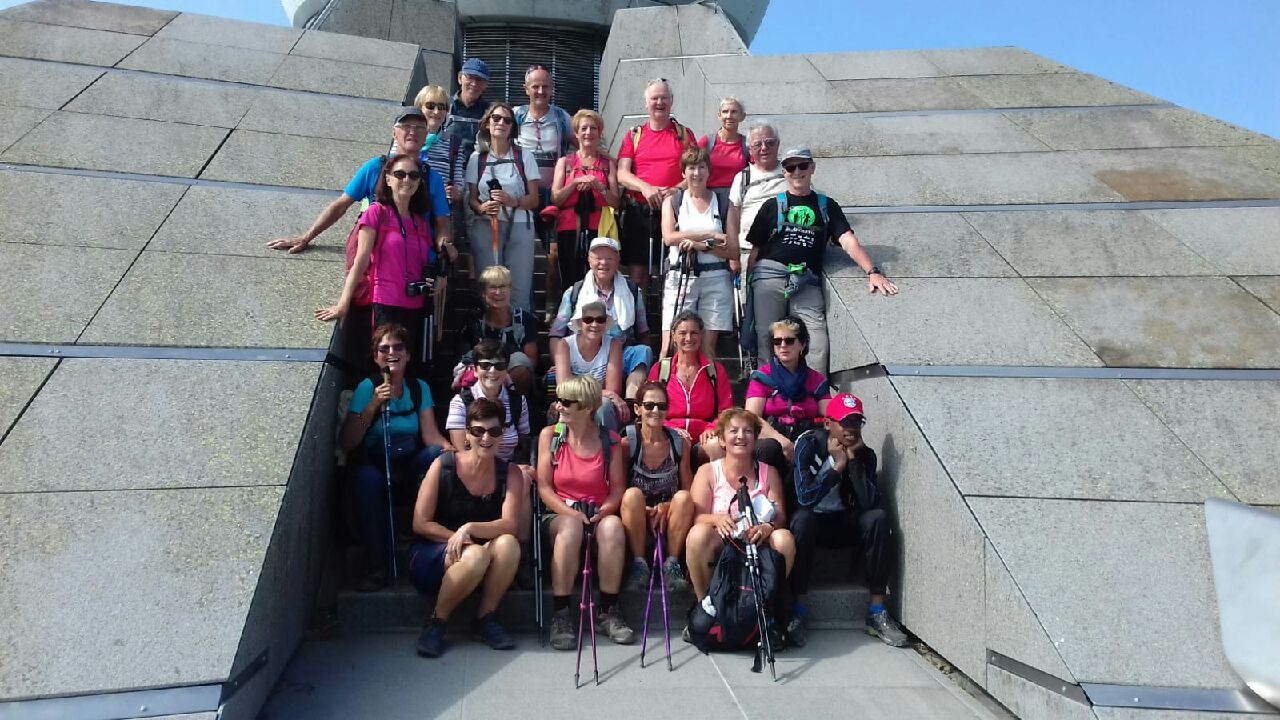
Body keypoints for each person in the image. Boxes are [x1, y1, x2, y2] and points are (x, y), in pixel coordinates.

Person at [745, 146, 898, 375]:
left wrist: (872, 271)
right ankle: (766, 391)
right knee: (767, 338)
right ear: (784, 172)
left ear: (812, 168)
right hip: (770, 275)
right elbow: (756, 250)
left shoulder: (827, 206)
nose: (797, 171)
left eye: (802, 165)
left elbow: (847, 240)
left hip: (806, 279)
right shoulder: (771, 205)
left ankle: (815, 390)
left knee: (816, 341)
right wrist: (750, 285)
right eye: (790, 167)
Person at [786, 394, 909, 649]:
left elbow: (869, 503)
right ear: (828, 423)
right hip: (813, 522)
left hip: (844, 523)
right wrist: (836, 468)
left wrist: (853, 462)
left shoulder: (865, 455)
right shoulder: (808, 445)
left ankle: (876, 611)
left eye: (856, 422)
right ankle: (798, 610)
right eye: (844, 422)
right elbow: (804, 498)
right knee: (802, 520)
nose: (851, 429)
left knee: (878, 518)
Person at [340, 323, 454, 590]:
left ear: (408, 355)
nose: (392, 353)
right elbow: (347, 442)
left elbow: (431, 436)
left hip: (408, 465)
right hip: (377, 464)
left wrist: (455, 453)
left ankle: (422, 528)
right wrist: (373, 406)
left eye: (398, 347)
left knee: (435, 456)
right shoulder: (367, 387)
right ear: (376, 356)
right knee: (366, 479)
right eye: (384, 349)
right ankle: (377, 564)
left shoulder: (419, 387)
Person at [409, 398, 523, 657]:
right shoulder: (444, 465)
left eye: (494, 431)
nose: (486, 438)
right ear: (467, 433)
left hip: (477, 555)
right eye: (478, 431)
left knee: (508, 544)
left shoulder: (511, 473)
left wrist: (469, 528)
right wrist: (459, 538)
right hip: (433, 555)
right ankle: (437, 621)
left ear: (502, 434)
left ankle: (485, 618)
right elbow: (420, 523)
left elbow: (510, 524)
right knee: (476, 555)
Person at [268, 106, 453, 258]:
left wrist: (443, 255)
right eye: (406, 126)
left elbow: (442, 227)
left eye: (419, 127)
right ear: (394, 133)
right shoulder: (375, 168)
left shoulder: (432, 178)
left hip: (417, 261)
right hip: (376, 257)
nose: (412, 131)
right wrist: (306, 237)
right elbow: (341, 205)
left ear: (426, 134)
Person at [536, 375, 635, 650]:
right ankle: (561, 613)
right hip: (560, 513)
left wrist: (603, 512)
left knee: (613, 527)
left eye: (567, 402)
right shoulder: (550, 436)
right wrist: (571, 513)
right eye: (559, 399)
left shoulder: (610, 440)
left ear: (588, 407)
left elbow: (617, 488)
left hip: (597, 512)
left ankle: (608, 610)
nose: (559, 406)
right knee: (570, 528)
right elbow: (544, 487)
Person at [315, 152, 439, 367]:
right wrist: (343, 303)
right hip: (385, 303)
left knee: (406, 367)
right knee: (384, 365)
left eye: (413, 175)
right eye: (400, 174)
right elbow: (361, 260)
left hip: (416, 305)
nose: (407, 180)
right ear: (388, 179)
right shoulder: (377, 212)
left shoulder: (420, 221)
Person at [685, 408, 795, 603]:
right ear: (721, 439)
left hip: (757, 542)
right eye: (733, 431)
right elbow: (697, 517)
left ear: (755, 439)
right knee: (697, 535)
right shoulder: (707, 471)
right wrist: (717, 520)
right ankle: (705, 604)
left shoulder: (769, 472)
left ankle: (767, 604)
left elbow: (780, 516)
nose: (741, 436)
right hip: (722, 542)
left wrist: (767, 527)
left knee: (784, 538)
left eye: (748, 431)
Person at [548, 237, 653, 400]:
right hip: (582, 357)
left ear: (618, 260)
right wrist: (560, 362)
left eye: (609, 258)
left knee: (643, 352)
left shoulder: (632, 291)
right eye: (598, 258)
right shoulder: (574, 291)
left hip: (618, 355)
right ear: (590, 260)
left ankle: (631, 402)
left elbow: (643, 332)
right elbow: (556, 334)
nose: (603, 263)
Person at [616, 78, 697, 287]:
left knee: (671, 272)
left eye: (664, 98)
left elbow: (695, 171)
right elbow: (622, 173)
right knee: (637, 275)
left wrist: (675, 189)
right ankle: (639, 309)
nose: (659, 102)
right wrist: (645, 188)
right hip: (640, 210)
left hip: (674, 209)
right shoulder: (634, 135)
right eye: (654, 98)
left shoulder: (684, 135)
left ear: (671, 101)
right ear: (646, 103)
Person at [659, 147, 737, 358]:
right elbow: (669, 237)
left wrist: (701, 246)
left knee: (707, 350)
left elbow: (732, 249)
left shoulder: (724, 203)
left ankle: (705, 380)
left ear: (709, 171)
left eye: (701, 167)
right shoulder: (673, 201)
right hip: (681, 275)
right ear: (683, 173)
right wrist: (710, 234)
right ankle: (664, 379)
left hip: (716, 278)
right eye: (691, 168)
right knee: (670, 347)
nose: (697, 173)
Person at [466, 102, 541, 313]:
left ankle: (518, 327)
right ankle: (489, 329)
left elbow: (534, 199)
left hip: (519, 224)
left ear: (512, 128)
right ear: (487, 123)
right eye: (496, 118)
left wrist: (512, 200)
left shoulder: (524, 156)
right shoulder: (477, 159)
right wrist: (483, 207)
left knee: (519, 284)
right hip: (486, 225)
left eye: (507, 120)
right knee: (489, 282)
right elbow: (472, 199)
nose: (501, 123)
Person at [619, 381, 694, 592]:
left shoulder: (679, 443)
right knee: (632, 495)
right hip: (635, 513)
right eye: (649, 405)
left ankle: (672, 564)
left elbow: (689, 488)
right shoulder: (627, 444)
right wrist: (644, 510)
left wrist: (667, 506)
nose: (655, 411)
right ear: (637, 408)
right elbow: (619, 488)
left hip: (670, 515)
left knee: (684, 498)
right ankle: (639, 564)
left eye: (661, 406)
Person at [514, 65, 576, 303]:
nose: (540, 91)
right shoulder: (516, 115)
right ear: (526, 89)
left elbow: (583, 143)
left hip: (552, 196)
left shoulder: (561, 117)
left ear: (552, 89)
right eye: (535, 86)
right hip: (522, 194)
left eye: (545, 86)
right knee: (522, 252)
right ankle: (524, 305)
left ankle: (552, 307)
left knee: (553, 253)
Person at [550, 109, 620, 290]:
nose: (588, 132)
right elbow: (556, 199)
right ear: (576, 133)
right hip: (569, 226)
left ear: (600, 132)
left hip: (600, 226)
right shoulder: (565, 162)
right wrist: (574, 183)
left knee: (599, 278)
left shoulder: (608, 164)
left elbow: (616, 202)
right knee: (570, 276)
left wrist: (599, 186)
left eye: (593, 128)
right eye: (584, 128)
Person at [744, 316, 832, 461]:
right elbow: (751, 418)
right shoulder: (762, 377)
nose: (783, 345)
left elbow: (832, 416)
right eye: (777, 341)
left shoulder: (816, 380)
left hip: (807, 438)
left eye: (789, 341)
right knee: (769, 448)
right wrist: (782, 442)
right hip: (771, 440)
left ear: (802, 344)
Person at [648, 311, 732, 446]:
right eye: (682, 333)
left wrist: (712, 428)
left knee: (716, 445)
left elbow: (726, 410)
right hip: (667, 435)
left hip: (704, 437)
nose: (688, 338)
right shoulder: (660, 369)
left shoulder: (715, 370)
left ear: (702, 335)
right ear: (673, 336)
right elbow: (649, 408)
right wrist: (670, 429)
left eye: (694, 333)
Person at [458, 266, 539, 395]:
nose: (498, 292)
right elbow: (465, 357)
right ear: (483, 291)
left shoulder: (524, 319)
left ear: (510, 289)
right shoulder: (474, 320)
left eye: (503, 287)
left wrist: (502, 376)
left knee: (522, 367)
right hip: (482, 372)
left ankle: (516, 405)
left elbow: (532, 360)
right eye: (492, 287)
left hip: (513, 374)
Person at [549, 301, 629, 431]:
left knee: (605, 405)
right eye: (588, 319)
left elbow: (613, 389)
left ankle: (607, 442)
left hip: (599, 402)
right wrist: (607, 393)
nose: (594, 324)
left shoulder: (614, 344)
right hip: (572, 400)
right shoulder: (564, 345)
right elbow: (564, 389)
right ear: (580, 323)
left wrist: (608, 394)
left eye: (600, 320)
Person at [727, 122, 787, 278]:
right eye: (758, 144)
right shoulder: (743, 177)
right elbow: (733, 218)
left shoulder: (791, 173)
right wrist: (733, 257)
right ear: (750, 150)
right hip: (747, 253)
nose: (764, 148)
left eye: (770, 142)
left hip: (784, 254)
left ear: (778, 144)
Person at [414, 84, 463, 208]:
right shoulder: (406, 137)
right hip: (408, 209)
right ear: (419, 107)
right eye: (430, 106)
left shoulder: (454, 144)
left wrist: (454, 192)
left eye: (442, 107)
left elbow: (459, 185)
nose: (436, 111)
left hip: (437, 211)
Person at [698, 97, 749, 196]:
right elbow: (691, 167)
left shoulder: (747, 144)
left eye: (734, 112)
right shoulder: (707, 142)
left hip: (737, 198)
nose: (729, 116)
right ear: (719, 116)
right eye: (725, 112)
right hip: (709, 197)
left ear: (742, 116)